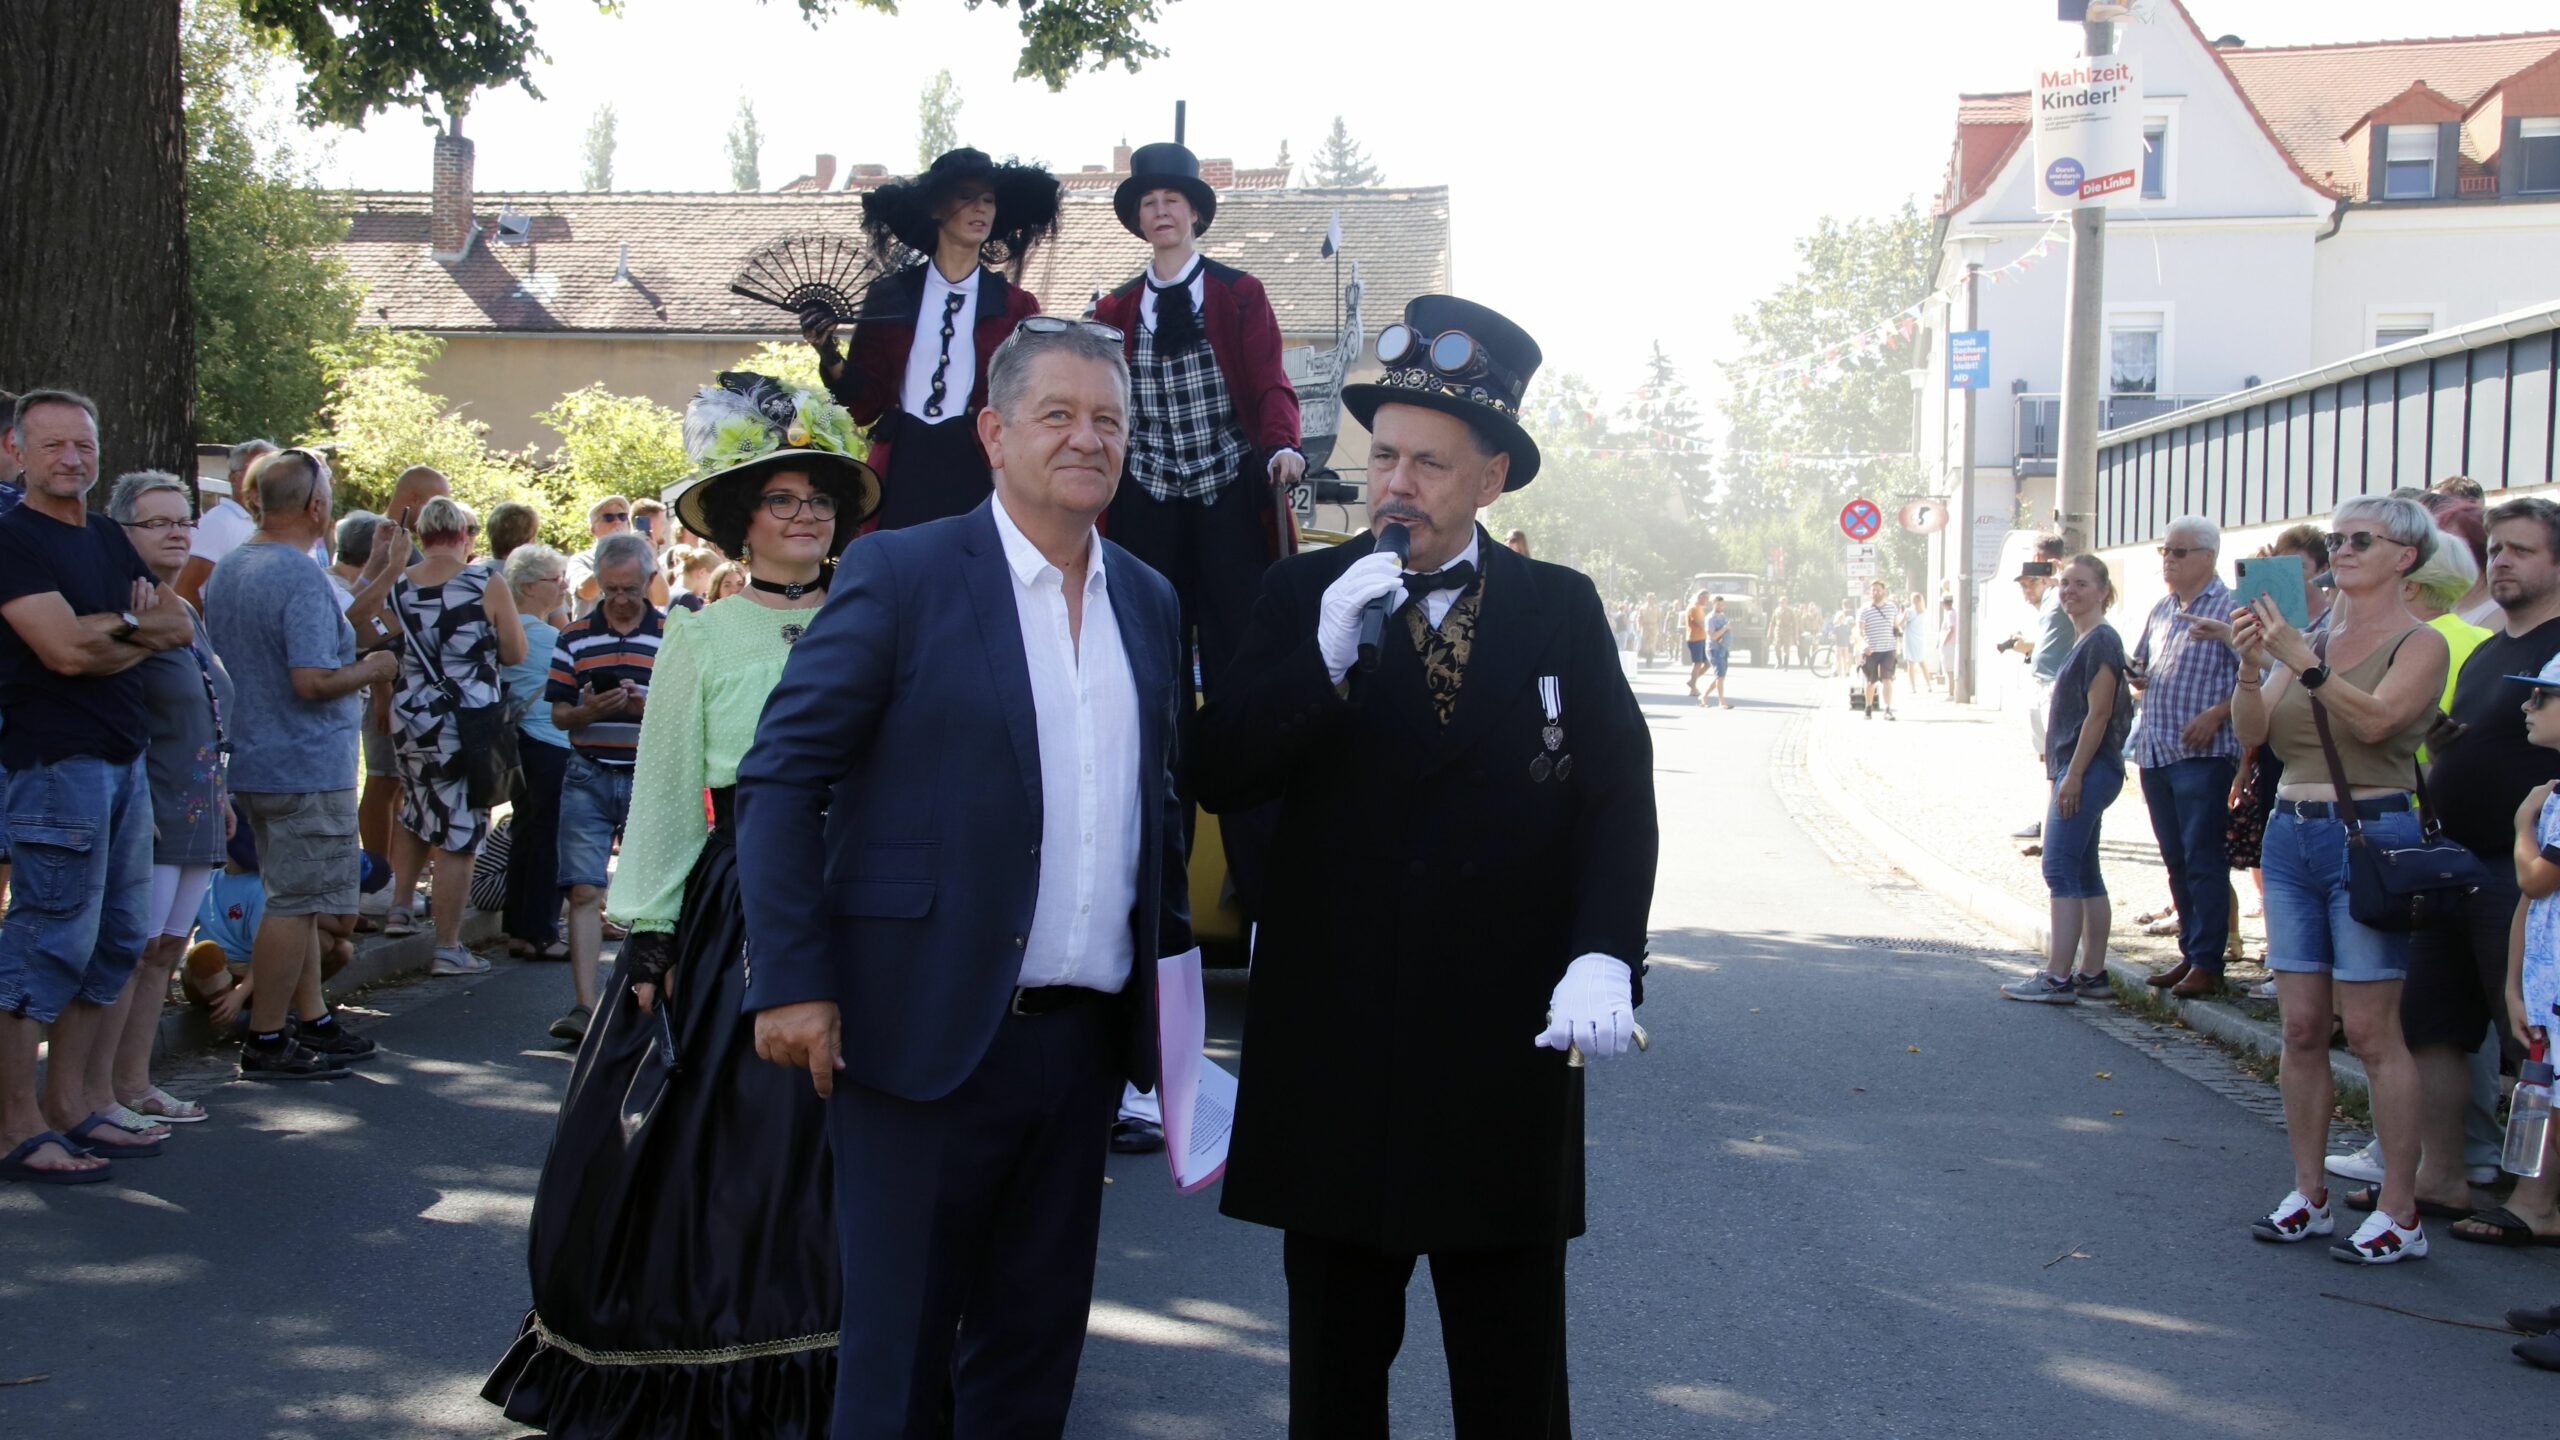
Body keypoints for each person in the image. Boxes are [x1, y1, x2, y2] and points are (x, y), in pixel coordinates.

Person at [1194, 296, 1655, 1435]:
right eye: (1382, 455)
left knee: (1510, 1379)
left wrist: (1605, 951)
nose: (1396, 482)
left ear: (1492, 476)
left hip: (1500, 1048)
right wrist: (1322, 657)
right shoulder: (1302, 593)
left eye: (1429, 462)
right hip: (1337, 1045)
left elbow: (1615, 799)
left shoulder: (1560, 608)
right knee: (1335, 1382)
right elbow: (1224, 769)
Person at [739, 319, 1187, 1435]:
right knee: (894, 1371)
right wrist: (791, 979)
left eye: (1108, 421)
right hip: (916, 1037)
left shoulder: (1149, 599)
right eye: (1058, 415)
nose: (1087, 439)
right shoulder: (902, 572)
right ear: (993, 432)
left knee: (1031, 1364)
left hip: (1082, 1051)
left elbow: (1156, 814)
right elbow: (781, 779)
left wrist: (1168, 1029)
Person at [485, 371, 881, 1436]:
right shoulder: (701, 635)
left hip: (868, 889)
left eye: (819, 500)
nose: (806, 517)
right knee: (736, 1131)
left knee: (872, 1127)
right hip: (745, 889)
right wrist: (653, 935)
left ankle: (871, 1354)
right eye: (783, 500)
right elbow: (667, 783)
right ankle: (728, 1361)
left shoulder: (878, 613)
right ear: (744, 521)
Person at [2229, 496, 2451, 1264]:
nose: (2344, 550)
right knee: (2298, 1027)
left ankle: (2400, 1208)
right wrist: (2253, 668)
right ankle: (2308, 1192)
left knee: (2371, 1031)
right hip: (2289, 835)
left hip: (2371, 837)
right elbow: (2256, 738)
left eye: (2363, 540)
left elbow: (2379, 721)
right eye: (2337, 539)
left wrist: (2301, 660)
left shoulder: (2419, 643)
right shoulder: (2310, 635)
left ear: (2406, 557)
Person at [0, 392, 197, 1183]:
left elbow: (175, 623)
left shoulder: (110, 537)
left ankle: (74, 1107)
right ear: (17, 453)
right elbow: (63, 654)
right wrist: (131, 630)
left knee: (115, 941)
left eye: (83, 444)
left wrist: (116, 632)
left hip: (124, 763)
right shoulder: (13, 539)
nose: (73, 459)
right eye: (54, 446)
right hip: (55, 766)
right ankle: (15, 1125)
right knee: (48, 943)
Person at [205, 447, 402, 1082]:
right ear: (317, 507)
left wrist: (377, 574)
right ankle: (266, 1037)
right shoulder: (296, 574)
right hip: (302, 764)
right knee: (295, 902)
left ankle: (312, 1018)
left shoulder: (235, 565)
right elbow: (312, 678)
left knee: (297, 894)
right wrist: (375, 668)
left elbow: (312, 639)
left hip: (252, 759)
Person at [1091, 139, 1305, 708]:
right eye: (1149, 203)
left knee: (1237, 642)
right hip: (1146, 491)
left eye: (1173, 200)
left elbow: (1269, 383)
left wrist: (1283, 447)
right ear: (1138, 220)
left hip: (1227, 487)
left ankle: (1241, 786)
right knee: (1151, 647)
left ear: (1195, 214)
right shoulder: (1112, 310)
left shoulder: (1238, 294)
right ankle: (1164, 789)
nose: (1161, 211)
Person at [2409, 498, 2560, 1242]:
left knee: (2532, 1042)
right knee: (2434, 1023)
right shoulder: (2494, 645)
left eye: (2521, 551)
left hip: (2523, 870)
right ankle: (2443, 1178)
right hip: (2453, 863)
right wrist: (2443, 745)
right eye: (2495, 549)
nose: (2500, 561)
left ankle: (2539, 1203)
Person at [803, 146, 1058, 531]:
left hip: (977, 464)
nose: (980, 209)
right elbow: (864, 404)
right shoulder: (891, 295)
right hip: (905, 462)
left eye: (988, 200)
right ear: (936, 208)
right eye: (966, 197)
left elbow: (1029, 397)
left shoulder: (1014, 306)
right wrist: (828, 354)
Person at [107, 472, 234, 1125]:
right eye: (158, 522)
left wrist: (222, 786)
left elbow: (211, 708)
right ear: (124, 531)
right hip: (154, 803)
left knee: (165, 950)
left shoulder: (182, 606)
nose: (178, 531)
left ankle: (136, 1081)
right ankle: (104, 1090)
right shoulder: (125, 599)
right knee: (131, 950)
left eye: (183, 519)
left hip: (200, 799)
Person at [382, 496, 527, 975]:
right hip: (466, 722)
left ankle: (400, 908)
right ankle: (448, 945)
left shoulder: (399, 585)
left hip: (410, 716)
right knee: (460, 830)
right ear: (466, 535)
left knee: (415, 806)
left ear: (421, 536)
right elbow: (515, 651)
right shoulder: (483, 581)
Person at [543, 530, 663, 1040]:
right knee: (585, 888)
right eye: (610, 589)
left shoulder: (673, 633)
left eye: (629, 589)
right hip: (588, 770)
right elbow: (559, 714)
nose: (618, 600)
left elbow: (690, 712)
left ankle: (643, 1000)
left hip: (648, 772)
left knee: (650, 897)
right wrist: (589, 710)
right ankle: (585, 1007)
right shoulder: (573, 637)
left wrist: (645, 707)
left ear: (648, 582)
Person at [2003, 555, 2129, 1004]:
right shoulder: (2087, 639)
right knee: (2083, 869)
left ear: (2103, 592)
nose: (2070, 591)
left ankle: (2057, 976)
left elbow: (2099, 714)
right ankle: (2091, 974)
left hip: (2088, 769)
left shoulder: (2100, 642)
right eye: (2066, 584)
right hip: (2082, 768)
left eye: (2081, 584)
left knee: (2057, 866)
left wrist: (2073, 775)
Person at [2130, 516, 2242, 999]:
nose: (2168, 561)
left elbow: (2263, 678)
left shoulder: (2234, 608)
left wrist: (2218, 713)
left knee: (2203, 858)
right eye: (2165, 552)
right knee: (2175, 858)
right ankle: (2190, 950)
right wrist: (2136, 674)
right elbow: (2143, 665)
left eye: (2179, 553)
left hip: (2204, 753)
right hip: (2157, 750)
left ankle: (2209, 960)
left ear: (2208, 557)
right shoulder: (2162, 609)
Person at [498, 544, 573, 964]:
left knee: (527, 833)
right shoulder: (546, 638)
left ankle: (520, 928)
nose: (563, 586)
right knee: (547, 838)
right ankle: (542, 932)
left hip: (522, 743)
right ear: (528, 587)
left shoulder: (511, 632)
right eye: (555, 579)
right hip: (549, 744)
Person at [1997, 538, 2072, 846]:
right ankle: (2050, 820)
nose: (2027, 589)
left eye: (2030, 581)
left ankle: (2055, 827)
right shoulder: (2049, 599)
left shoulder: (2064, 591)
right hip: (2041, 680)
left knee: (2057, 759)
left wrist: (2063, 575)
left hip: (2056, 683)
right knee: (2047, 758)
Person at [172, 437, 277, 608]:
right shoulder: (219, 522)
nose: (265, 478)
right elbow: (184, 588)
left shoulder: (259, 523)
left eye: (272, 470)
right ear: (233, 478)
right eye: (255, 470)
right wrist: (206, 633)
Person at [565, 494, 632, 617]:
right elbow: (585, 591)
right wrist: (612, 557)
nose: (617, 522)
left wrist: (651, 558)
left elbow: (660, 599)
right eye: (608, 517)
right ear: (593, 530)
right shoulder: (580, 560)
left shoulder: (638, 558)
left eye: (622, 516)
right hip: (593, 634)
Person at [1856, 580, 1900, 719]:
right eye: (1873, 590)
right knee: (1871, 681)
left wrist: (1898, 644)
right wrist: (1863, 644)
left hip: (1888, 649)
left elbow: (1896, 627)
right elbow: (1859, 630)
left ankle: (1887, 709)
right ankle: (1868, 706)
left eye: (1878, 590)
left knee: (1887, 679)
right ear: (1870, 592)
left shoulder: (1892, 608)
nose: (1875, 592)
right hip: (1871, 650)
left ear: (1883, 591)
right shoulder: (1864, 609)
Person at [485, 500, 541, 568]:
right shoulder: (531, 576)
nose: (535, 543)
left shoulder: (476, 572)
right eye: (533, 536)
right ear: (527, 542)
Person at [1702, 594, 1733, 710]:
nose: (1720, 606)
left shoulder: (1723, 616)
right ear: (1713, 604)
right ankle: (1722, 702)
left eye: (1722, 604)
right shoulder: (1710, 618)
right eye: (1718, 604)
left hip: (1723, 649)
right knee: (1720, 675)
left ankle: (1704, 696)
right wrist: (1725, 628)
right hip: (1714, 649)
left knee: (1720, 676)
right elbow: (1712, 635)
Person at [1683, 590, 1710, 697]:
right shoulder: (1693, 608)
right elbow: (1699, 622)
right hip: (1695, 639)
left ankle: (1692, 681)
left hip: (1702, 638)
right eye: (1706, 598)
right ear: (1701, 597)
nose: (1707, 601)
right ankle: (1693, 688)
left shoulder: (1700, 608)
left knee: (1707, 664)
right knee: (1697, 663)